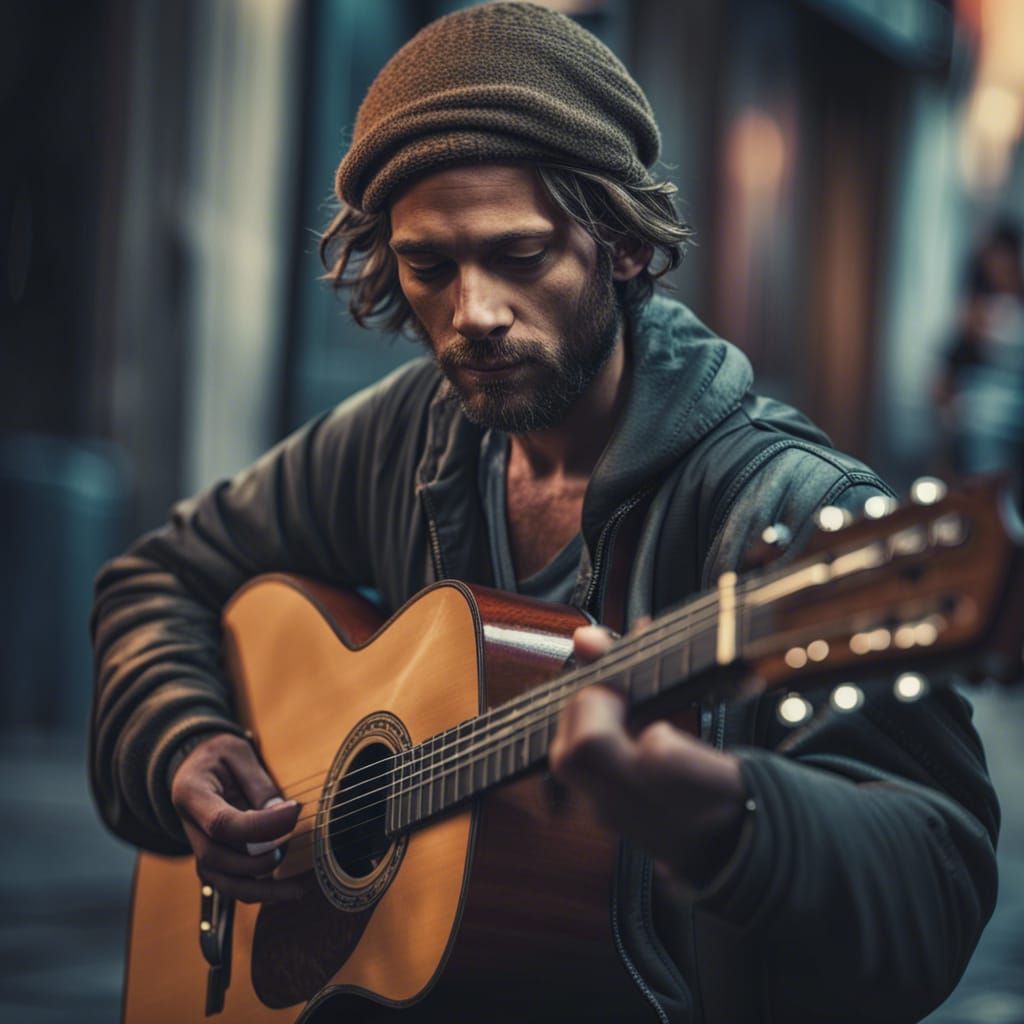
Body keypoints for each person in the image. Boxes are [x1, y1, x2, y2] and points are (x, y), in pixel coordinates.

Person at [91, 4, 998, 1021]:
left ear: (618, 244)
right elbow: (157, 577)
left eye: (518, 256)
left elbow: (936, 874)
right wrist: (182, 740)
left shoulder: (796, 513)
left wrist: (727, 819)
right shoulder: (411, 439)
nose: (472, 313)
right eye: (428, 266)